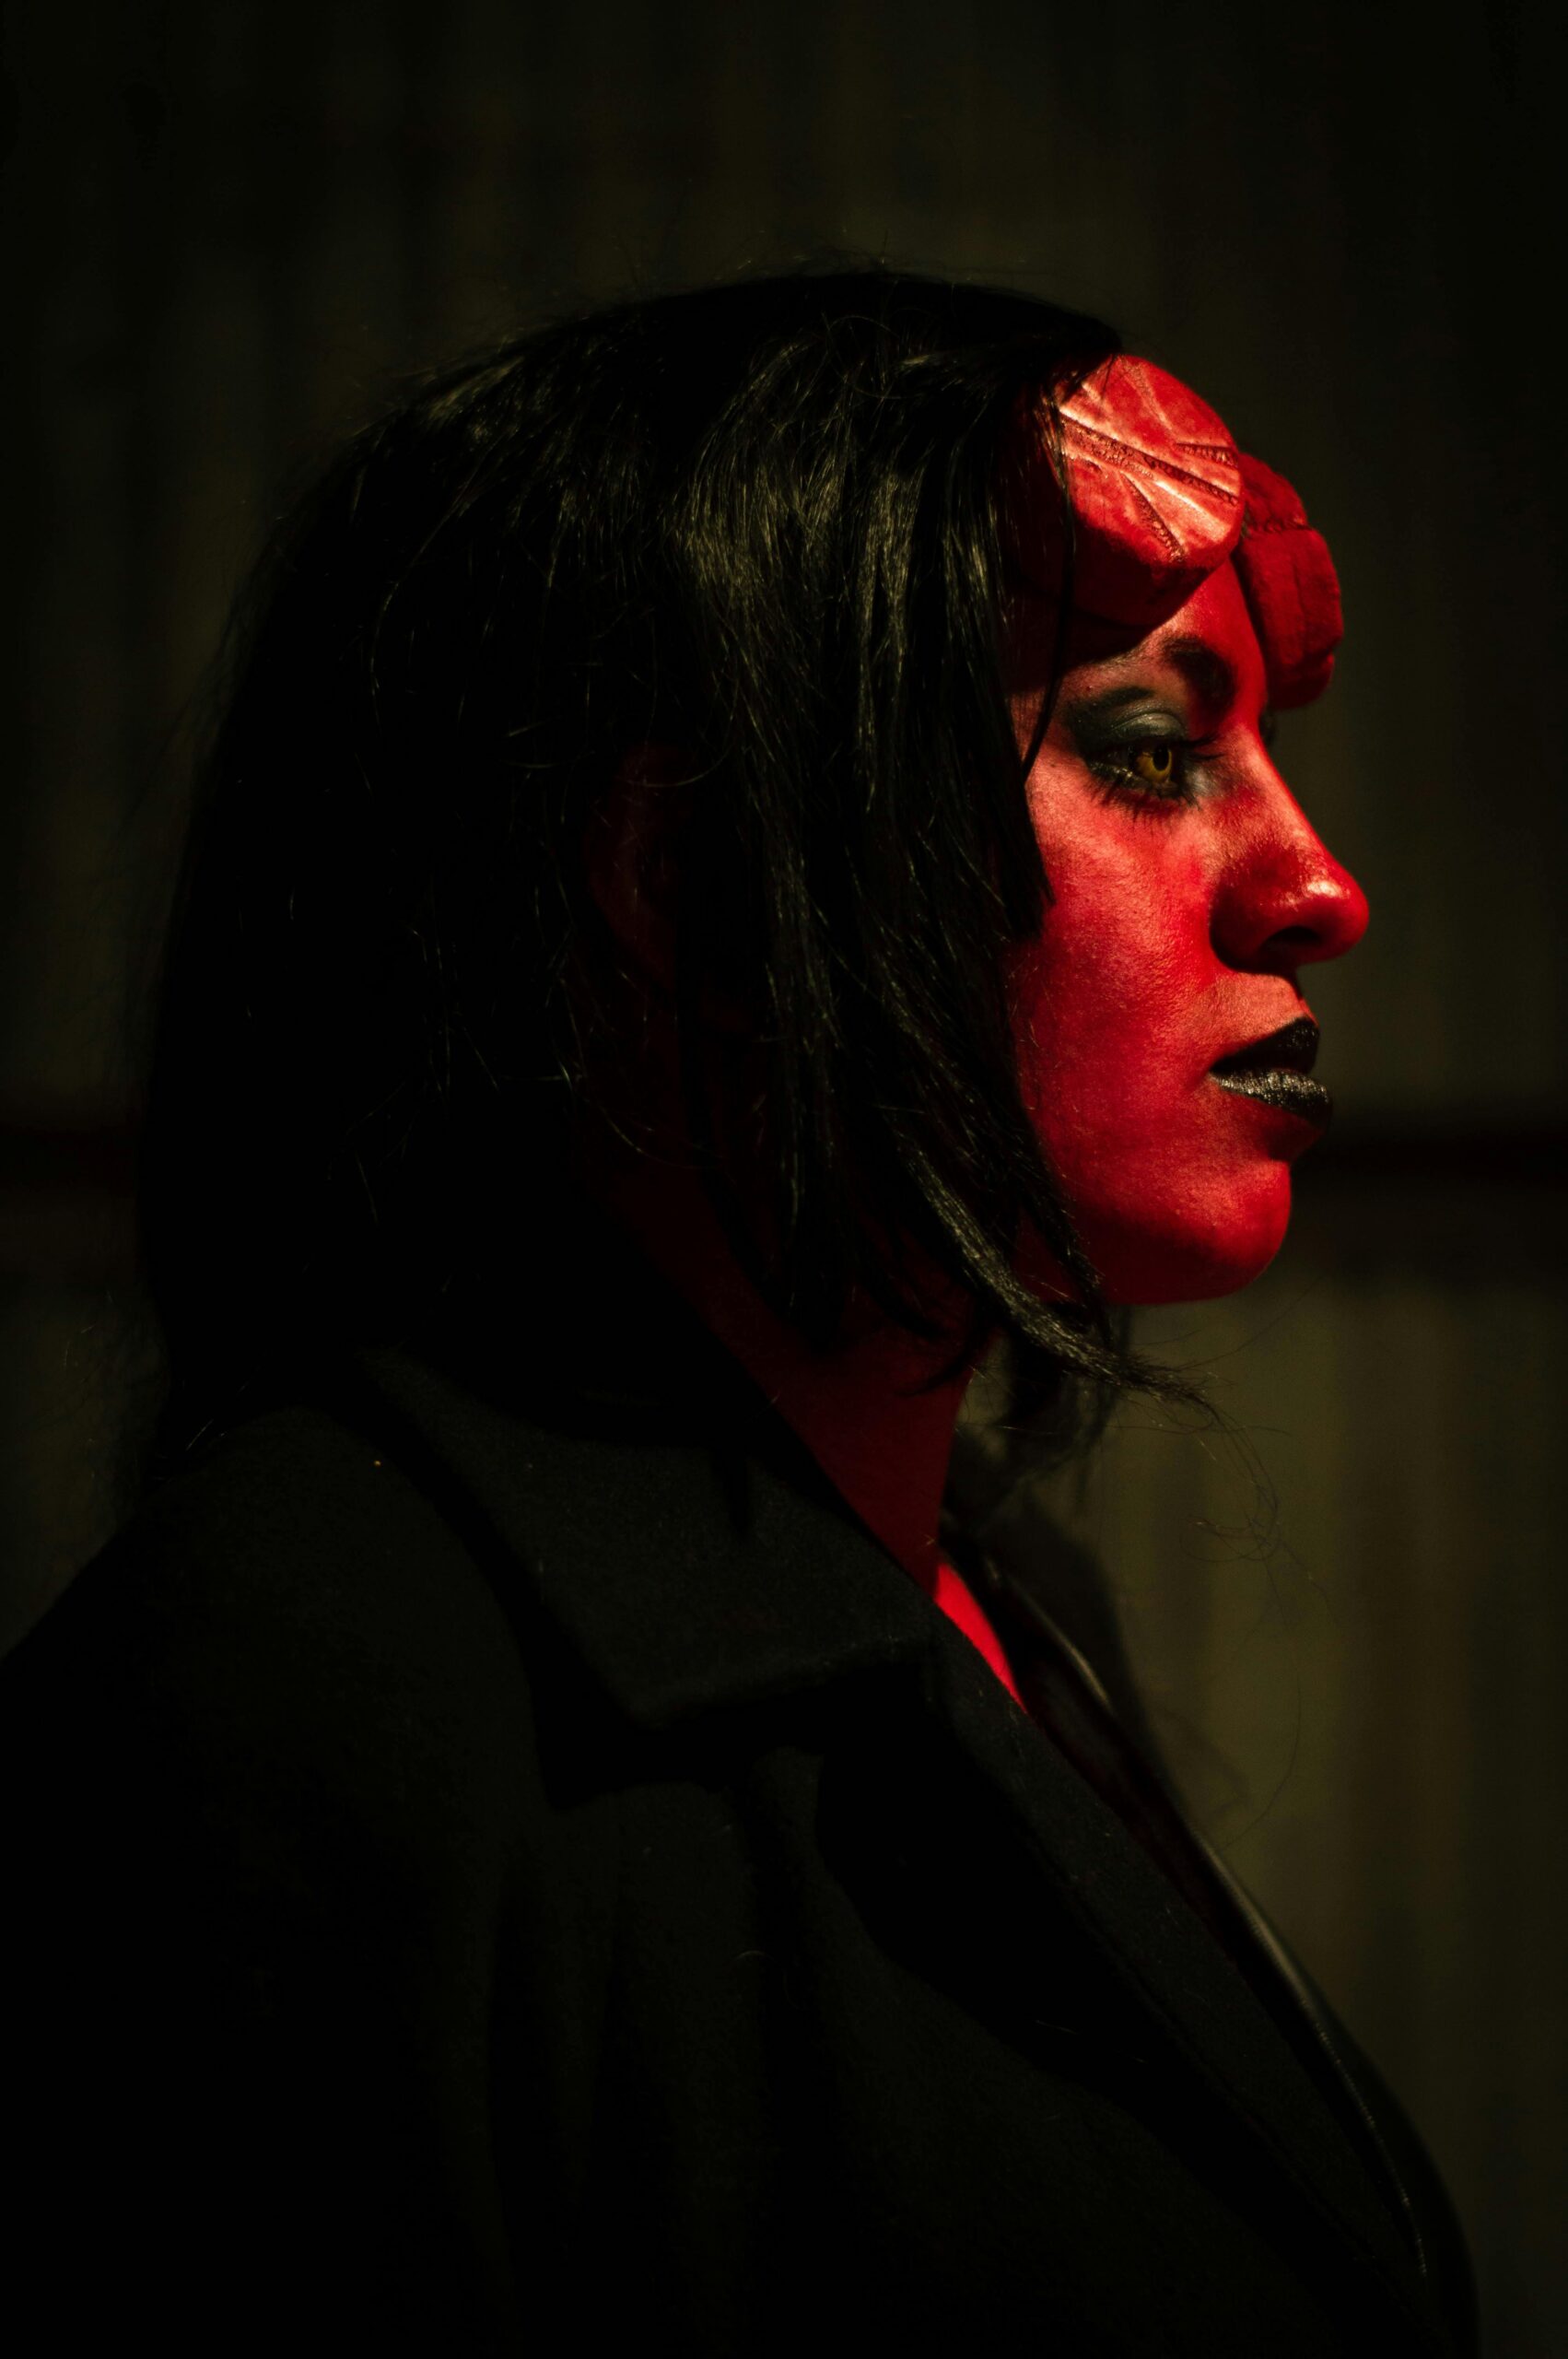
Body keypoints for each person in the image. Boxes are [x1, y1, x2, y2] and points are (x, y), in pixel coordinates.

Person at [0, 265, 1479, 2354]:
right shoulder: (280, 1734)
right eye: (1149, 750)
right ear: (692, 873)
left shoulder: (976, 1590)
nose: (1314, 883)